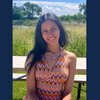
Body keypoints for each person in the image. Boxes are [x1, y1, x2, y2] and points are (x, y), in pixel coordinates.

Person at [23, 13, 76, 100]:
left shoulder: (71, 58)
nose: (50, 34)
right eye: (45, 30)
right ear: (40, 34)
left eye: (53, 29)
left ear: (60, 29)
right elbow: (30, 92)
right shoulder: (33, 56)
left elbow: (67, 92)